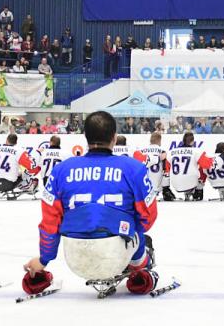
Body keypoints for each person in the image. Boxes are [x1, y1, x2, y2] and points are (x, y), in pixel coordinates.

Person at [22, 111, 159, 296]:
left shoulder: (61, 170)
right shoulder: (134, 168)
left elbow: (50, 222)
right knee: (138, 232)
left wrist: (44, 260)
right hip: (115, 253)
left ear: (85, 137)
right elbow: (148, 218)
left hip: (75, 258)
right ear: (114, 137)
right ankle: (139, 270)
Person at [166, 132, 206, 201]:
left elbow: (166, 167)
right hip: (192, 182)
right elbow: (207, 164)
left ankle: (165, 191)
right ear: (192, 141)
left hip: (176, 184)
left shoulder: (172, 151)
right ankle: (199, 190)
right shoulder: (196, 151)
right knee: (203, 168)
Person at [0, 133, 31, 197]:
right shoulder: (20, 151)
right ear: (16, 142)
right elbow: (29, 165)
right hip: (10, 183)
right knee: (25, 172)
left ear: (6, 140)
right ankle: (27, 187)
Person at [136, 132, 169, 201]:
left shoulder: (142, 151)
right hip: (157, 186)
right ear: (160, 140)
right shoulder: (163, 151)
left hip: (144, 185)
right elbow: (166, 169)